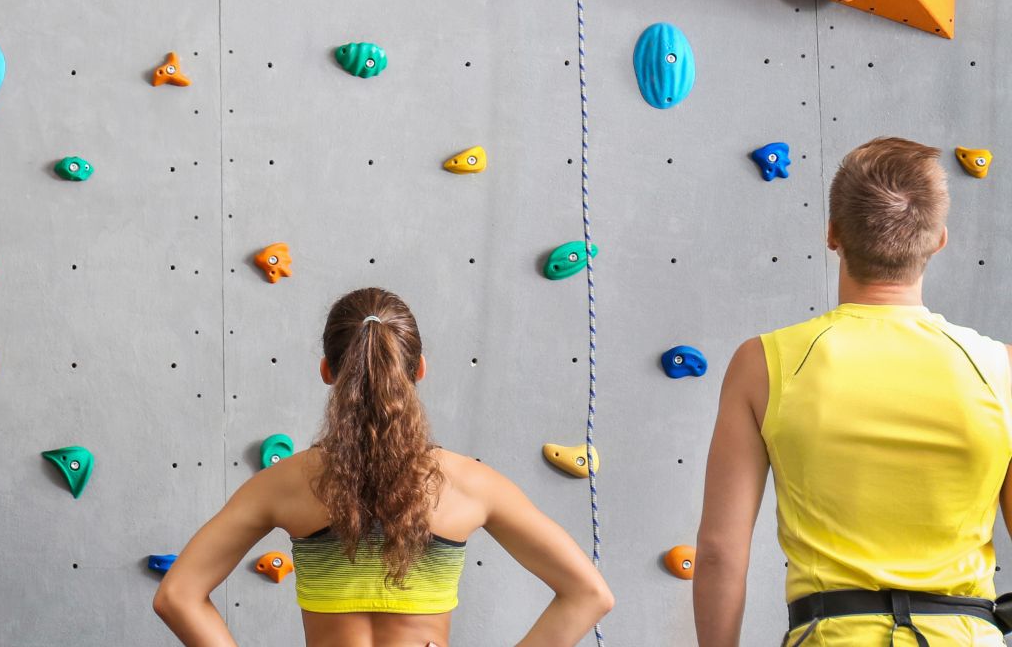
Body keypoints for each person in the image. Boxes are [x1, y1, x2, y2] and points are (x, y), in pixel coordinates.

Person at [154, 286, 613, 646]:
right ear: (419, 370)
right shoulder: (473, 485)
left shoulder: (282, 485)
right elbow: (590, 595)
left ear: (328, 371)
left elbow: (177, 596)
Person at [695, 137, 1012, 647]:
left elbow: (718, 552)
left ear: (833, 234)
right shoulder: (1001, 369)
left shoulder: (764, 364)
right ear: (939, 240)